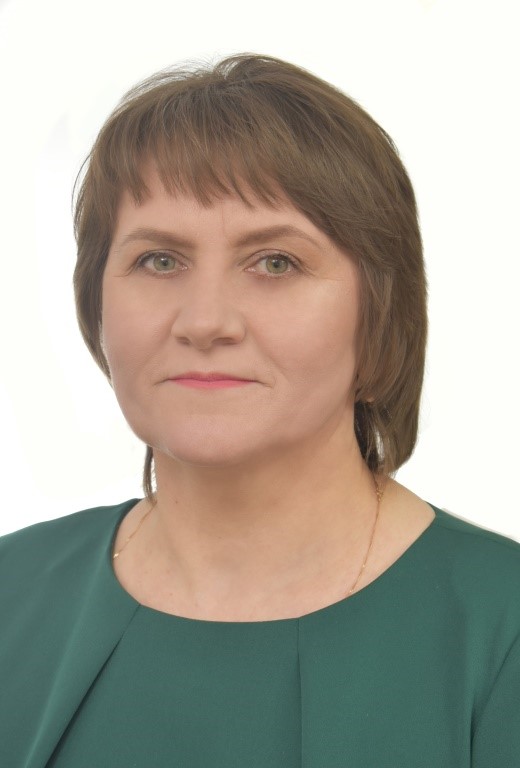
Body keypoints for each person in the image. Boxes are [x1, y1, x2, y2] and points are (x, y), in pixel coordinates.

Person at [1, 53, 519, 767]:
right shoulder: (11, 591)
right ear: (96, 303)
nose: (205, 321)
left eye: (275, 262)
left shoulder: (502, 629)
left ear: (380, 313)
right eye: (159, 260)